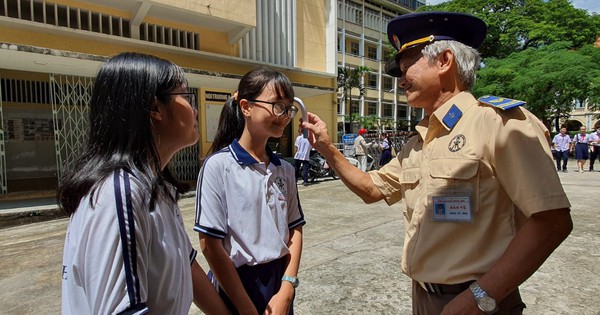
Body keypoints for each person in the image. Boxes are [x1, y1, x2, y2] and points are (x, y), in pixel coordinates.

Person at [301, 12, 572, 315]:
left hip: (479, 303)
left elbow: (552, 221)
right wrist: (326, 148)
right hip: (425, 298)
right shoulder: (420, 141)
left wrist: (478, 299)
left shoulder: (499, 123)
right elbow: (371, 189)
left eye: (407, 67)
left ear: (444, 61)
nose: (401, 80)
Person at [59, 52, 229, 315]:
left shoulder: (154, 188)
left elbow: (187, 263)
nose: (194, 109)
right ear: (154, 108)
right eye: (186, 96)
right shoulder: (121, 193)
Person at [194, 66, 305, 315]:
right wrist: (245, 308)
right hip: (235, 283)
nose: (285, 115)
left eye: (289, 108)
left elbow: (294, 229)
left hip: (279, 281)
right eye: (277, 104)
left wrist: (287, 288)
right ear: (246, 107)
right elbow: (209, 244)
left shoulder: (284, 169)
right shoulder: (218, 166)